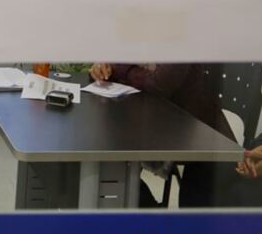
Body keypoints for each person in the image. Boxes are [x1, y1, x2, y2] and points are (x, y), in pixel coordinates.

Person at [90, 62, 233, 207]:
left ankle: (154, 220)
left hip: (200, 134)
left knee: (118, 169)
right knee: (113, 167)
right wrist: (102, 68)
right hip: (150, 123)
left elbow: (157, 84)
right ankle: (150, 217)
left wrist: (120, 68)